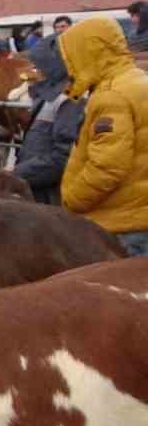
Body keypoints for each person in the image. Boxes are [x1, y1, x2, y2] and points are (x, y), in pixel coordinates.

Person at [54, 18, 148, 255]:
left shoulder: (111, 96)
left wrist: (71, 200)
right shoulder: (137, 80)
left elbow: (107, 168)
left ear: (88, 52)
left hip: (122, 223)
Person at [13, 37, 84, 205]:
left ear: (55, 66)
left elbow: (64, 156)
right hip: (36, 189)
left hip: (52, 196)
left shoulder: (70, 99)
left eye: (38, 66)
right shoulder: (47, 96)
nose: (32, 71)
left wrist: (17, 175)